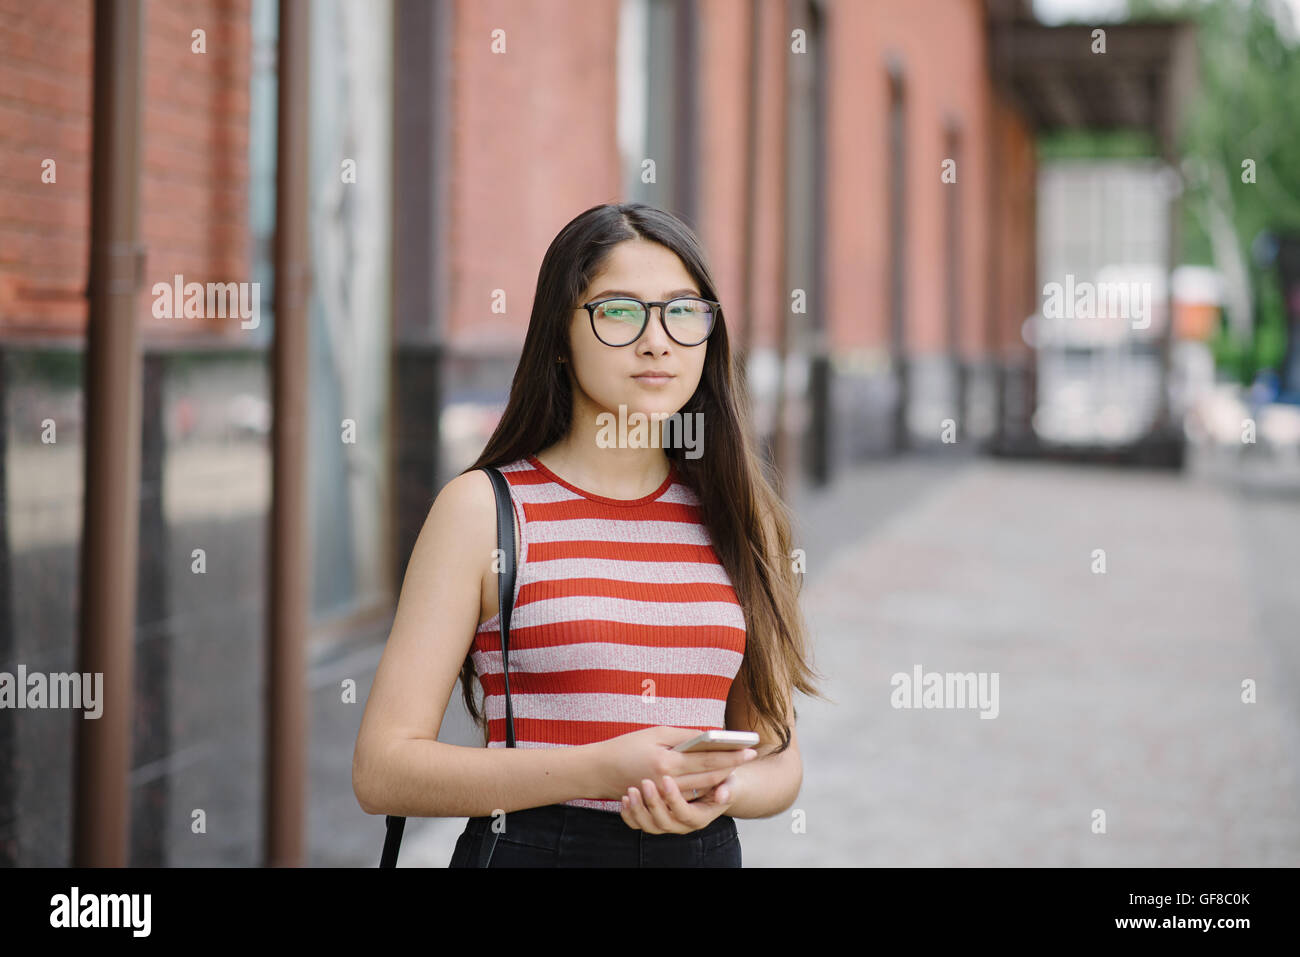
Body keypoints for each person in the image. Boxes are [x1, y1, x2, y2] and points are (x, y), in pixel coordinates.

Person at [352, 201, 824, 867]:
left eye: (683, 311)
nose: (657, 339)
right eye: (620, 311)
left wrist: (723, 788)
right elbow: (383, 768)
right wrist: (599, 769)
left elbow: (779, 758)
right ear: (558, 338)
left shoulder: (740, 517)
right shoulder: (484, 511)